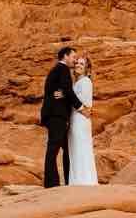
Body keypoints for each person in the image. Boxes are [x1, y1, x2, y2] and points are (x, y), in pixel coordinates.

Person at [39, 45, 88, 187]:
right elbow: (67, 89)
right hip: (56, 115)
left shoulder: (56, 70)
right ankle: (51, 184)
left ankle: (69, 180)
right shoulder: (63, 69)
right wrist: (81, 108)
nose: (74, 61)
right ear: (65, 56)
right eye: (73, 57)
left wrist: (65, 94)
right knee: (53, 148)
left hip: (54, 114)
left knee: (66, 149)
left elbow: (63, 91)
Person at [67, 54, 98, 185]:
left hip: (80, 120)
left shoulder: (85, 82)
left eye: (82, 64)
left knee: (81, 148)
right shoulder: (77, 82)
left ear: (86, 69)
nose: (78, 66)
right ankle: (79, 180)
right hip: (76, 119)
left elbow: (82, 103)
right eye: (77, 63)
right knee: (76, 148)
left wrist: (65, 96)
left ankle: (83, 181)